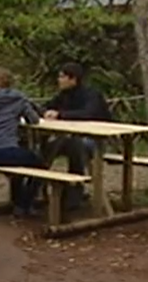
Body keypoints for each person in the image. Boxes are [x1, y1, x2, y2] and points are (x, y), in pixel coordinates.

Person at [42, 62, 111, 209]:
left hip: (95, 140)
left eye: (62, 77)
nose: (59, 80)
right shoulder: (63, 95)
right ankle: (36, 185)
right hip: (68, 137)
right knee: (47, 146)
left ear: (73, 79)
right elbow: (48, 106)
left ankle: (74, 192)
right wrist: (47, 112)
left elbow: (88, 114)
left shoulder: (92, 95)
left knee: (75, 144)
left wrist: (60, 114)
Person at [0, 67, 45, 217]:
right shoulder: (18, 99)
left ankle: (17, 201)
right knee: (41, 165)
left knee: (20, 163)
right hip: (4, 149)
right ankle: (24, 203)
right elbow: (33, 120)